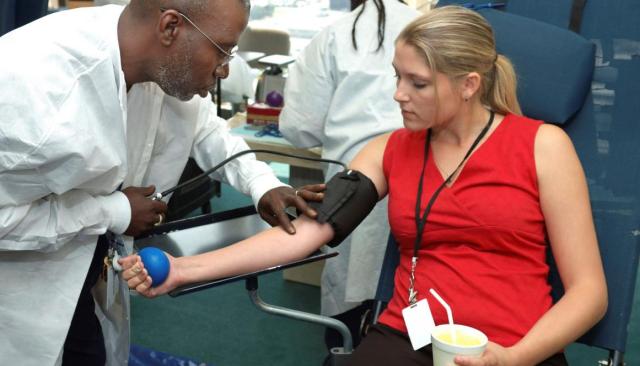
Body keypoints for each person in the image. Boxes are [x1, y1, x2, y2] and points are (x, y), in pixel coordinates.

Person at [122, 5, 608, 366]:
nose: (398, 95)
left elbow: (589, 291)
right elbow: (304, 235)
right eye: (397, 78)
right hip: (410, 339)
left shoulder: (544, 147)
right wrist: (185, 270)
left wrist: (516, 357)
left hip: (515, 347)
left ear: (469, 84)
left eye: (417, 83)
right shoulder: (390, 150)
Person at [0, 1, 321, 365]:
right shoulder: (36, 96)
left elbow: (205, 126)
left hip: (81, 268)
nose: (226, 69)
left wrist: (262, 183)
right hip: (20, 294)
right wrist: (114, 210)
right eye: (221, 50)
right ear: (170, 28)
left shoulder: (146, 56)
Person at [278, 0, 420, 352]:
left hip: (354, 190)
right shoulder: (428, 30)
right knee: (414, 295)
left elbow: (299, 127)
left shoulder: (333, 37)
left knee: (351, 302)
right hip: (422, 183)